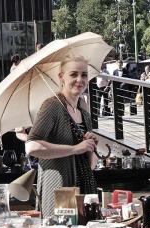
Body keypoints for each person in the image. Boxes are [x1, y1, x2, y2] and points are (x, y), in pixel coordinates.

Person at [25, 56, 99, 218]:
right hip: (60, 191)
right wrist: (74, 148)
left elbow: (91, 165)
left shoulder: (84, 114)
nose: (80, 79)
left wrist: (90, 147)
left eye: (84, 75)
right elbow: (31, 146)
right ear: (61, 77)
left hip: (84, 191)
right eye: (73, 74)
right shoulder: (52, 106)